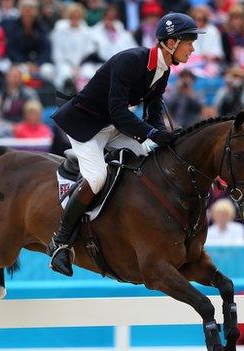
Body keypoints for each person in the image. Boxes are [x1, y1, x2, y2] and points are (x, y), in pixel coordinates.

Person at [47, 12, 205, 276]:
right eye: (188, 42)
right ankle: (60, 242)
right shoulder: (131, 61)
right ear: (171, 42)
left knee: (146, 157)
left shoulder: (162, 70)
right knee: (97, 178)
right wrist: (153, 134)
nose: (192, 49)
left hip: (111, 126)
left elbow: (153, 110)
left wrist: (164, 136)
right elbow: (119, 110)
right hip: (85, 125)